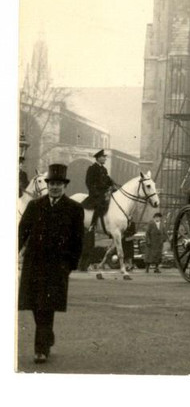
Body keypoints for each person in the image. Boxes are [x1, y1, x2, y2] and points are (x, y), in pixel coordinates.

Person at [18, 162, 85, 365]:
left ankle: (41, 349)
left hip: (57, 267)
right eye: (52, 183)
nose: (55, 187)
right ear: (48, 185)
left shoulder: (74, 209)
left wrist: (69, 265)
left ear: (65, 186)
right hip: (34, 264)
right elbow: (21, 234)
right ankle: (47, 336)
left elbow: (78, 240)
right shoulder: (35, 206)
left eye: (59, 184)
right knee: (36, 306)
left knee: (46, 306)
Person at [83, 148, 117, 233]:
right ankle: (93, 224)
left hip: (104, 193)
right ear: (98, 158)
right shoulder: (92, 168)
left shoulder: (104, 169)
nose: (105, 158)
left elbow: (108, 180)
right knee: (99, 203)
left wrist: (113, 184)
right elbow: (88, 182)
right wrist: (95, 192)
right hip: (95, 194)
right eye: (103, 157)